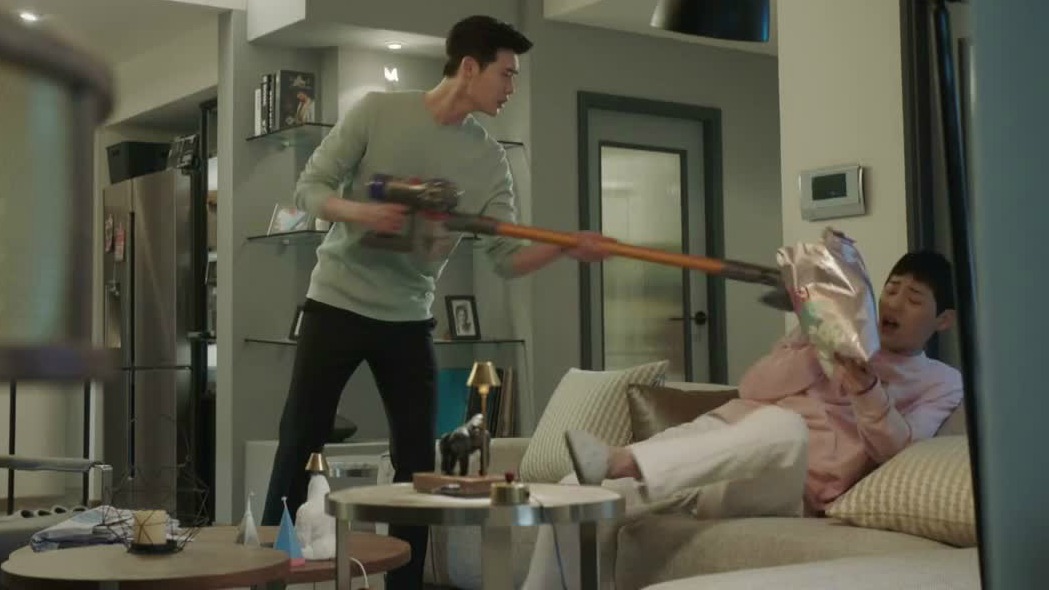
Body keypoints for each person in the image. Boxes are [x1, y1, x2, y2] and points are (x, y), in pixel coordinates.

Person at [260, 15, 610, 589]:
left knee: (417, 462)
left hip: (408, 317)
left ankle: (405, 584)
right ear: (469, 67)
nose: (511, 87)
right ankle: (268, 573)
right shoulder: (377, 111)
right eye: (506, 73)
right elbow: (310, 188)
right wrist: (362, 212)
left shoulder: (489, 160)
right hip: (336, 302)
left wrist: (566, 248)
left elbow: (506, 258)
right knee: (301, 437)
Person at [523, 251, 964, 588]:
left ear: (943, 320)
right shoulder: (826, 334)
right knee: (573, 493)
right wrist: (819, 348)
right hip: (723, 439)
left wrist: (866, 389)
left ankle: (624, 460)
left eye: (913, 298)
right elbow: (753, 388)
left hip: (788, 482)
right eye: (891, 289)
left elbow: (897, 450)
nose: (895, 304)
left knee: (784, 427)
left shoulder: (941, 382)